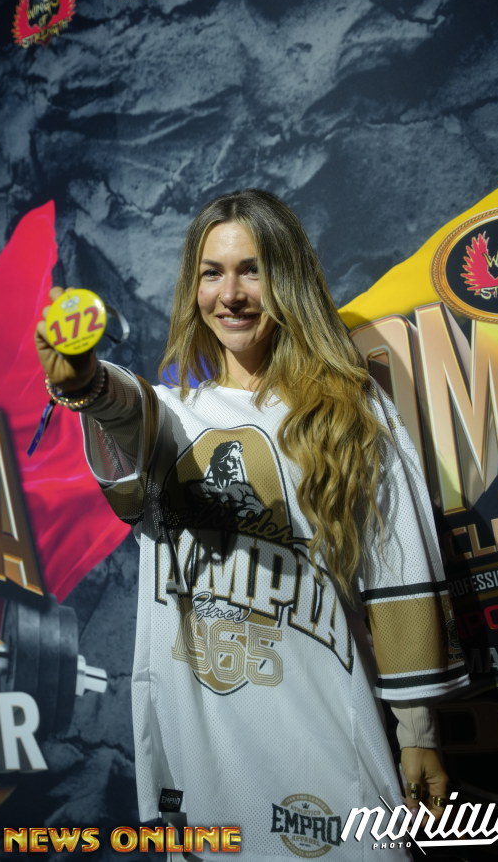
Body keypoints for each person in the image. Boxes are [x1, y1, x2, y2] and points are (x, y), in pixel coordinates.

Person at [35, 190, 468, 861]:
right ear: (193, 287)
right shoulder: (172, 415)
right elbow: (123, 407)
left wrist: (419, 734)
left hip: (325, 735)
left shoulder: (348, 412)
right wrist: (84, 382)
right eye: (212, 273)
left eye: (252, 271)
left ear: (287, 278)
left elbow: (398, 565)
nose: (230, 294)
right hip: (203, 754)